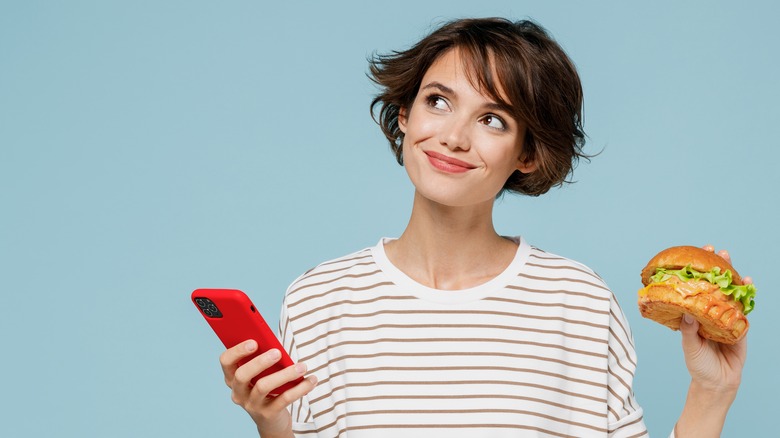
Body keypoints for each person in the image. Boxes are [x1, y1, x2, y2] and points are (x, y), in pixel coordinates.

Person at [218, 18, 747, 437]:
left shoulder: (578, 301)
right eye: (438, 101)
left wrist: (711, 391)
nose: (452, 136)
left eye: (492, 119)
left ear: (528, 154)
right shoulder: (320, 298)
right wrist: (272, 425)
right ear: (405, 114)